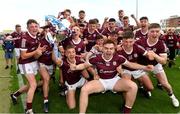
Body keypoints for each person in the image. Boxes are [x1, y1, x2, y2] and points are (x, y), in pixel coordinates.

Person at [70, 39, 154, 113]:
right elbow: (84, 65)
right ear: (102, 48)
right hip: (101, 81)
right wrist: (76, 67)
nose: (108, 50)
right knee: (84, 89)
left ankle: (126, 111)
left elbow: (131, 65)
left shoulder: (119, 57)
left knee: (133, 86)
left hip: (114, 80)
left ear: (114, 49)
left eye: (111, 48)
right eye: (106, 48)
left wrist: (145, 67)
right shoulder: (96, 57)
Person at [136, 23, 179, 108]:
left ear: (160, 33)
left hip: (155, 65)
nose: (155, 34)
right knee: (143, 81)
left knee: (164, 83)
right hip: (143, 65)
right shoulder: (140, 41)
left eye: (157, 31)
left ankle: (172, 96)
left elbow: (163, 62)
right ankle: (145, 89)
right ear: (148, 32)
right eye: (152, 31)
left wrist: (155, 55)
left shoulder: (161, 44)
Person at [10, 19, 46, 114]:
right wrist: (36, 51)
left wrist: (39, 51)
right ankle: (28, 109)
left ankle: (14, 95)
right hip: (25, 63)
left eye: (35, 26)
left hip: (33, 62)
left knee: (30, 85)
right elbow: (23, 56)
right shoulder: (24, 38)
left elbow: (35, 53)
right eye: (31, 27)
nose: (34, 28)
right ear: (27, 28)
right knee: (33, 85)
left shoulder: (37, 36)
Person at [117, 31, 154, 98]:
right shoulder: (118, 50)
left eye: (130, 42)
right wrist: (120, 72)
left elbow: (148, 55)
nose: (128, 44)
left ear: (134, 41)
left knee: (150, 88)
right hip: (126, 69)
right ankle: (126, 103)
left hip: (137, 68)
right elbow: (119, 65)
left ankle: (143, 88)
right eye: (125, 41)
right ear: (122, 41)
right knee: (127, 86)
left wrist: (150, 60)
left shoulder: (137, 47)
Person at [56, 45, 89, 109]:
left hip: (80, 80)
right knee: (72, 107)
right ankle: (66, 92)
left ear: (75, 53)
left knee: (89, 87)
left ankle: (82, 88)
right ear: (65, 54)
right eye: (69, 52)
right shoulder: (63, 61)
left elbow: (87, 76)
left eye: (73, 52)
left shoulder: (79, 59)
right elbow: (58, 63)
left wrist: (79, 66)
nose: (71, 54)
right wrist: (61, 79)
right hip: (71, 83)